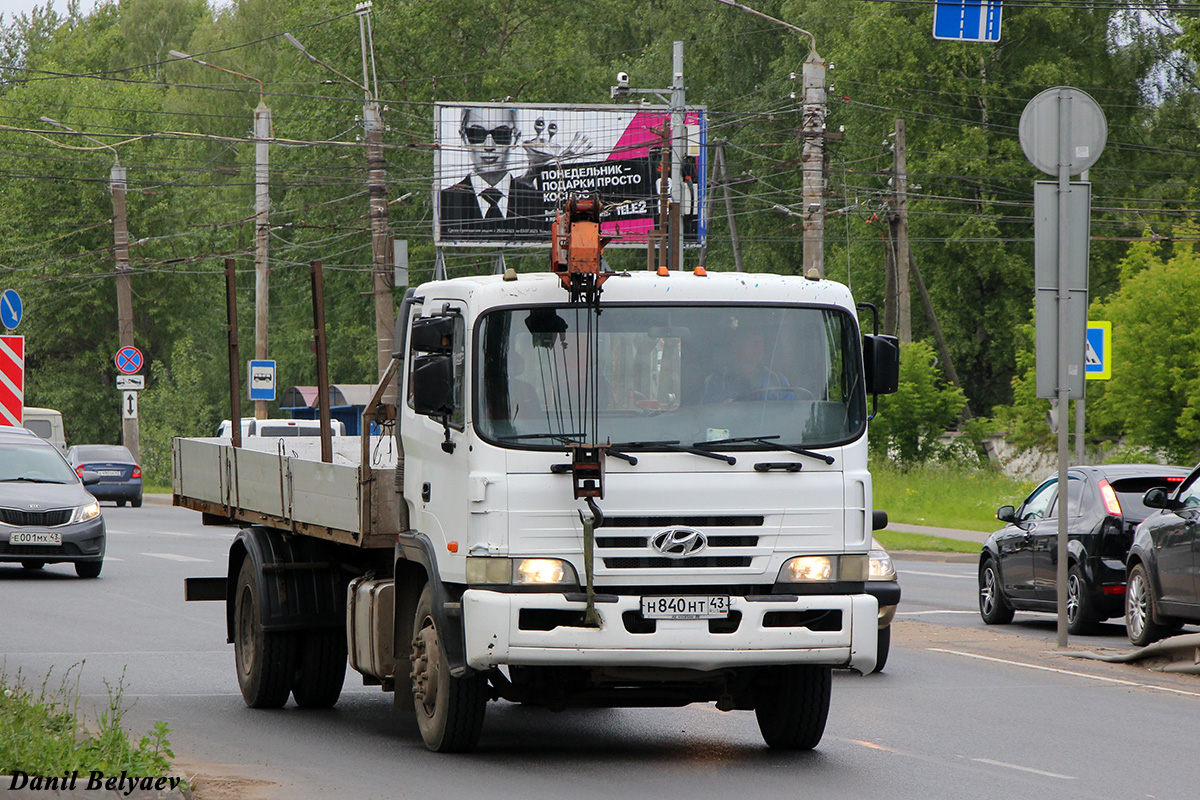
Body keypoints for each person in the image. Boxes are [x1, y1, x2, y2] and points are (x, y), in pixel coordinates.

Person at [439, 106, 546, 237]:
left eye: (500, 134)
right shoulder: (445, 201)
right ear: (464, 137)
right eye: (477, 134)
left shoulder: (537, 202)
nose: (489, 146)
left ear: (516, 138)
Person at [700, 327, 795, 403]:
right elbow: (708, 415)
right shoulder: (718, 382)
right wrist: (724, 409)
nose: (759, 347)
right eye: (753, 343)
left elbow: (790, 413)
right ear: (737, 346)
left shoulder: (777, 380)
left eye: (761, 342)